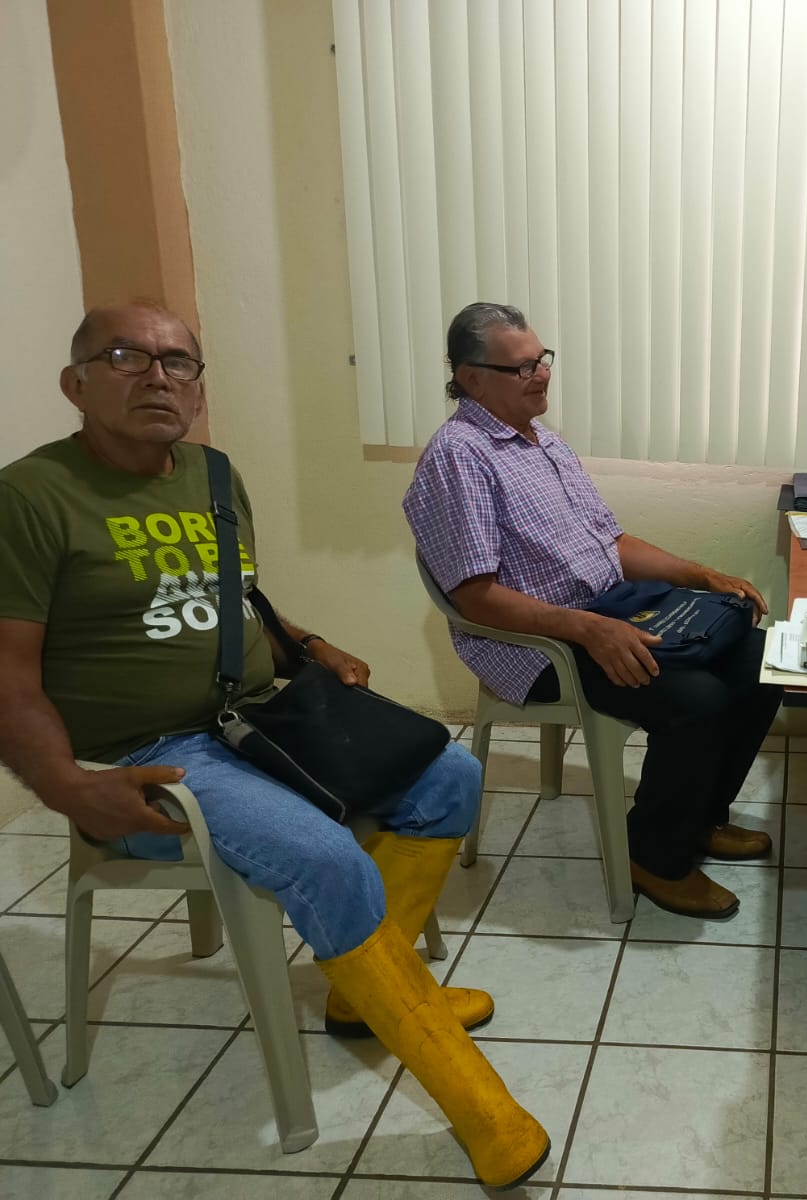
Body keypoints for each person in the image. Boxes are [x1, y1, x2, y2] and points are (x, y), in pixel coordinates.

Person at [0, 302, 549, 1189]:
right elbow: (8, 678)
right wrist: (67, 788)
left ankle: (368, 994)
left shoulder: (213, 475)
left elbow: (235, 600)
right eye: (127, 357)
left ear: (198, 386)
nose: (158, 377)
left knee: (448, 773)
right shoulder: (28, 499)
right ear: (77, 383)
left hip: (253, 715)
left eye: (180, 362)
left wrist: (311, 644)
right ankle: (478, 1103)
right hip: (144, 760)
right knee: (328, 858)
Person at [404, 301, 782, 921]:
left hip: (603, 613)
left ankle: (699, 818)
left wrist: (701, 574)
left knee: (760, 659)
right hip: (535, 647)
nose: (542, 374)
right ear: (472, 378)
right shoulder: (459, 456)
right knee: (699, 700)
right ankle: (653, 857)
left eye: (542, 359)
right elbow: (475, 598)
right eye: (522, 367)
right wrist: (586, 628)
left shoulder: (544, 441)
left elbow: (610, 542)